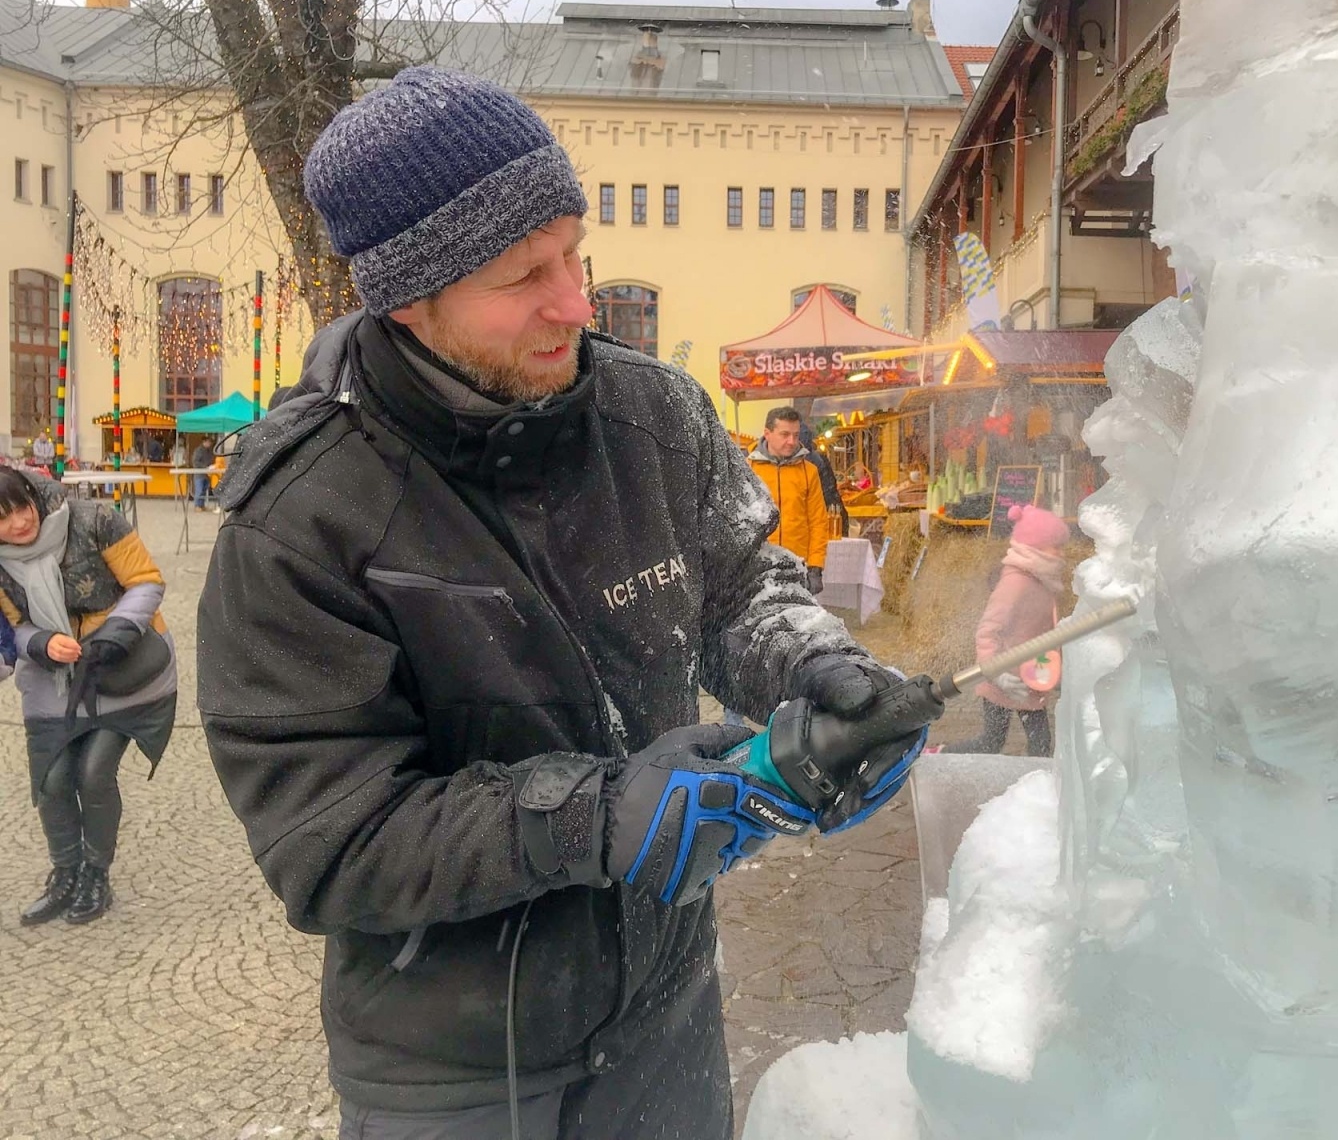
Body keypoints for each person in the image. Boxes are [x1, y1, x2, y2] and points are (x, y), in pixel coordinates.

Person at [196, 66, 924, 1140]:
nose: (577, 303)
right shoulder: (302, 518)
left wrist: (822, 666)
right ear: (407, 298)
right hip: (458, 1079)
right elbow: (331, 841)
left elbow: (740, 588)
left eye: (575, 253)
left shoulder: (656, 414)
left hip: (668, 1018)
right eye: (524, 275)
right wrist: (593, 818)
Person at [0, 467, 178, 926]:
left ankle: (96, 874)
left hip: (121, 667)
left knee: (95, 773)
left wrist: (116, 631)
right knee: (53, 778)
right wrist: (41, 643)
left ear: (33, 496)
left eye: (21, 508)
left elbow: (146, 580)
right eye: (3, 518)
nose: (19, 523)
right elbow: (14, 628)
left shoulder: (92, 519)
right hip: (54, 678)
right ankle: (65, 873)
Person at [956, 504, 1069, 758]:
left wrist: (1057, 671)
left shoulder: (1042, 580)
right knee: (991, 743)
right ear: (1037, 546)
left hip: (1031, 677)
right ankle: (941, 753)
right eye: (1056, 546)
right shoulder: (1016, 584)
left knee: (1040, 744)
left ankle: (1036, 780)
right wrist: (997, 674)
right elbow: (987, 632)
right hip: (1004, 680)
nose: (1062, 553)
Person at [748, 407, 830, 594]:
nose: (792, 441)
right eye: (785, 434)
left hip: (798, 565)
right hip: (758, 567)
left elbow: (818, 521)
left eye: (795, 435)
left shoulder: (809, 472)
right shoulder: (749, 469)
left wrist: (816, 566)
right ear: (767, 433)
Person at [799, 423, 848, 530]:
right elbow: (831, 490)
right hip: (828, 512)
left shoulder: (805, 462)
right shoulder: (819, 458)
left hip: (815, 517)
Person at [190, 437, 215, 511]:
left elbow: (211, 459)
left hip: (207, 474)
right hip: (199, 474)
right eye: (208, 442)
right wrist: (205, 467)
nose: (210, 444)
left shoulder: (209, 451)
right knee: (199, 490)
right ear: (204, 442)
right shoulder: (198, 451)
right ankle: (197, 505)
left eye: (210, 442)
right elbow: (195, 462)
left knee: (204, 490)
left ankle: (201, 505)